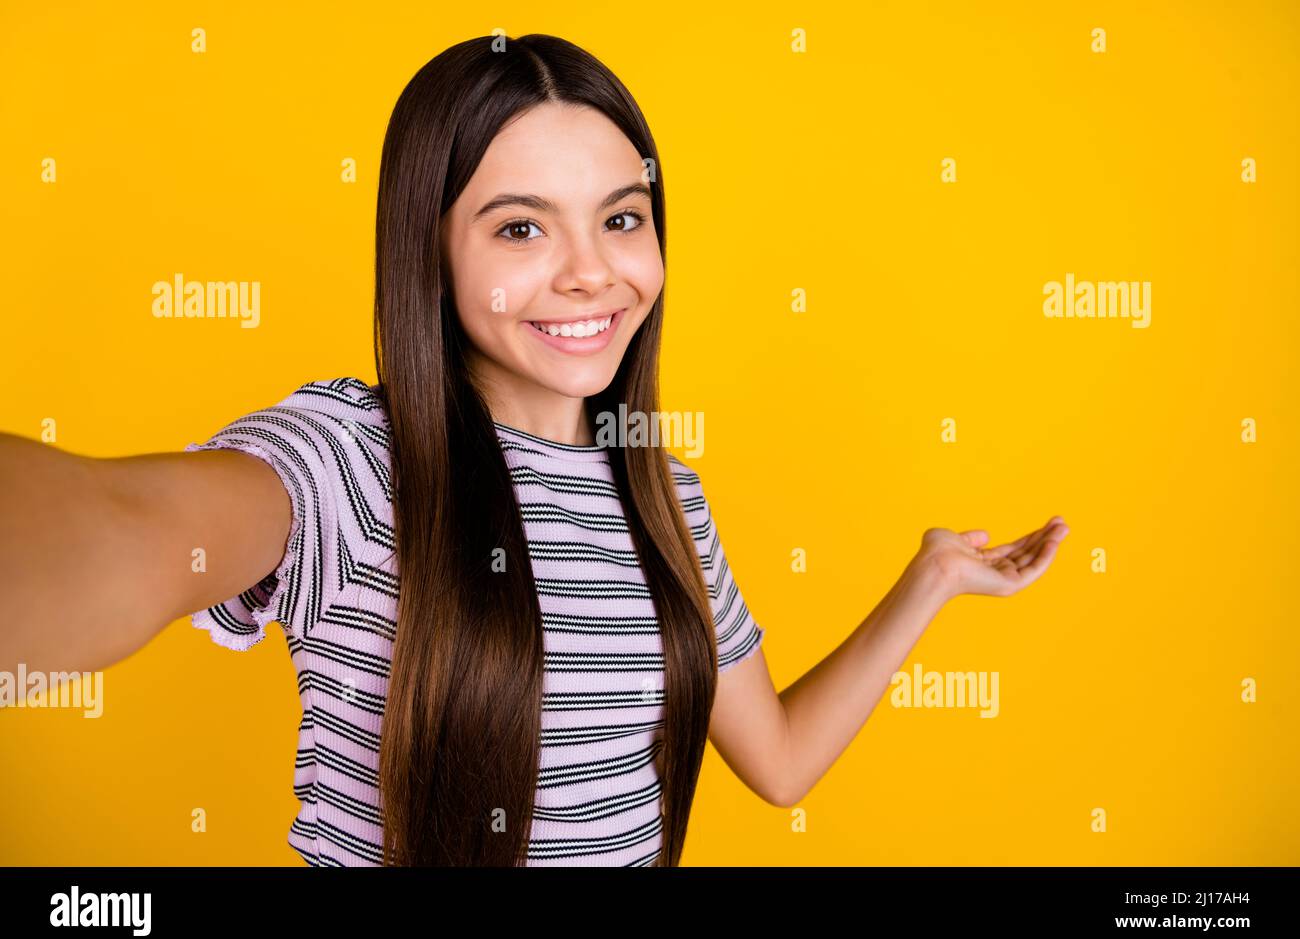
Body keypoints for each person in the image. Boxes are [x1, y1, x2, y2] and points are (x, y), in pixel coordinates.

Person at [0, 33, 1069, 867]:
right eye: (521, 228)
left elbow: (779, 762)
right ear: (429, 247)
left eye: (621, 218)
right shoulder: (353, 462)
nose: (591, 273)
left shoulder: (664, 494)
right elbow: (118, 532)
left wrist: (930, 578)